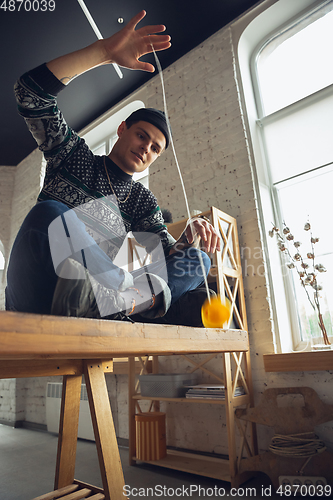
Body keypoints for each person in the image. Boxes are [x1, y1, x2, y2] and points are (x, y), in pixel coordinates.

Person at [5, 11, 221, 326]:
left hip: (98, 303)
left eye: (155, 147)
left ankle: (121, 301)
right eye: (142, 135)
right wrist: (103, 53)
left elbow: (165, 259)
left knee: (198, 259)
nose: (146, 147)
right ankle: (123, 300)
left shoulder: (142, 202)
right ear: (122, 129)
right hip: (39, 293)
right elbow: (30, 94)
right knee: (48, 214)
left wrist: (188, 241)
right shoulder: (73, 158)